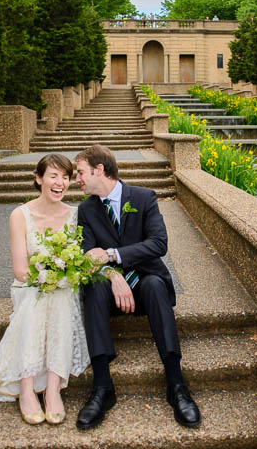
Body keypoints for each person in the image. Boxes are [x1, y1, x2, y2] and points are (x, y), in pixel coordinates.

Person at [0, 154, 90, 425]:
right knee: (39, 298)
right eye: (54, 176)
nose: (60, 183)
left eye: (66, 177)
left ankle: (54, 389)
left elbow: (79, 262)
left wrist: (61, 277)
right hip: (28, 285)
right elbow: (21, 271)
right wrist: (49, 279)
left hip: (64, 286)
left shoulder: (75, 215)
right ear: (39, 179)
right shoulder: (20, 215)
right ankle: (26, 386)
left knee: (58, 298)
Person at [73, 144, 201, 429]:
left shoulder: (144, 198)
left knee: (155, 285)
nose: (77, 179)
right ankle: (102, 387)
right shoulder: (86, 210)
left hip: (146, 286)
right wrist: (112, 274)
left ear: (99, 169)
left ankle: (176, 383)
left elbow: (159, 244)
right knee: (94, 285)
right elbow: (87, 255)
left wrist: (112, 255)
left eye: (80, 172)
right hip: (109, 293)